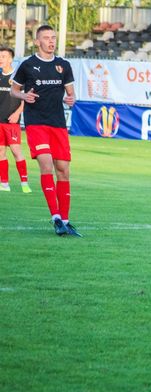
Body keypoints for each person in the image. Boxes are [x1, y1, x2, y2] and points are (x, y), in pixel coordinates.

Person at [11, 25, 80, 237]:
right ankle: (56, 217)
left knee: (63, 170)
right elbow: (14, 90)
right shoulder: (27, 65)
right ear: (37, 42)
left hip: (58, 123)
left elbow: (71, 94)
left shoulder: (63, 65)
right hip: (36, 123)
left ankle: (65, 220)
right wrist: (24, 96)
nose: (51, 41)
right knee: (47, 164)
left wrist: (71, 99)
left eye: (53, 37)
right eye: (47, 38)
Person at [0, 47, 31, 193]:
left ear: (11, 59)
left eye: (3, 56)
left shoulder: (18, 78)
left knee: (16, 150)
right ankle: (4, 184)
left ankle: (24, 182)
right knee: (1, 152)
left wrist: (17, 113)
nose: (0, 59)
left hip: (11, 122)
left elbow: (25, 99)